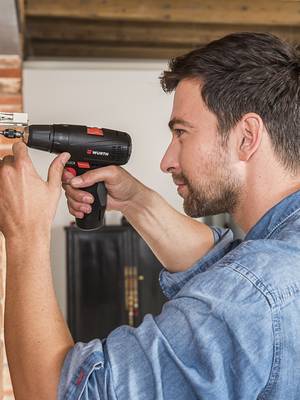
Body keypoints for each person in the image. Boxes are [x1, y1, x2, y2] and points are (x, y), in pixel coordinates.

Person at [0, 32, 299, 399]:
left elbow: (58, 394)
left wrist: (24, 234)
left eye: (181, 133)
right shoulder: (282, 253)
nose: (166, 161)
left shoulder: (255, 292)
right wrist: (135, 201)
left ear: (247, 136)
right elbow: (225, 264)